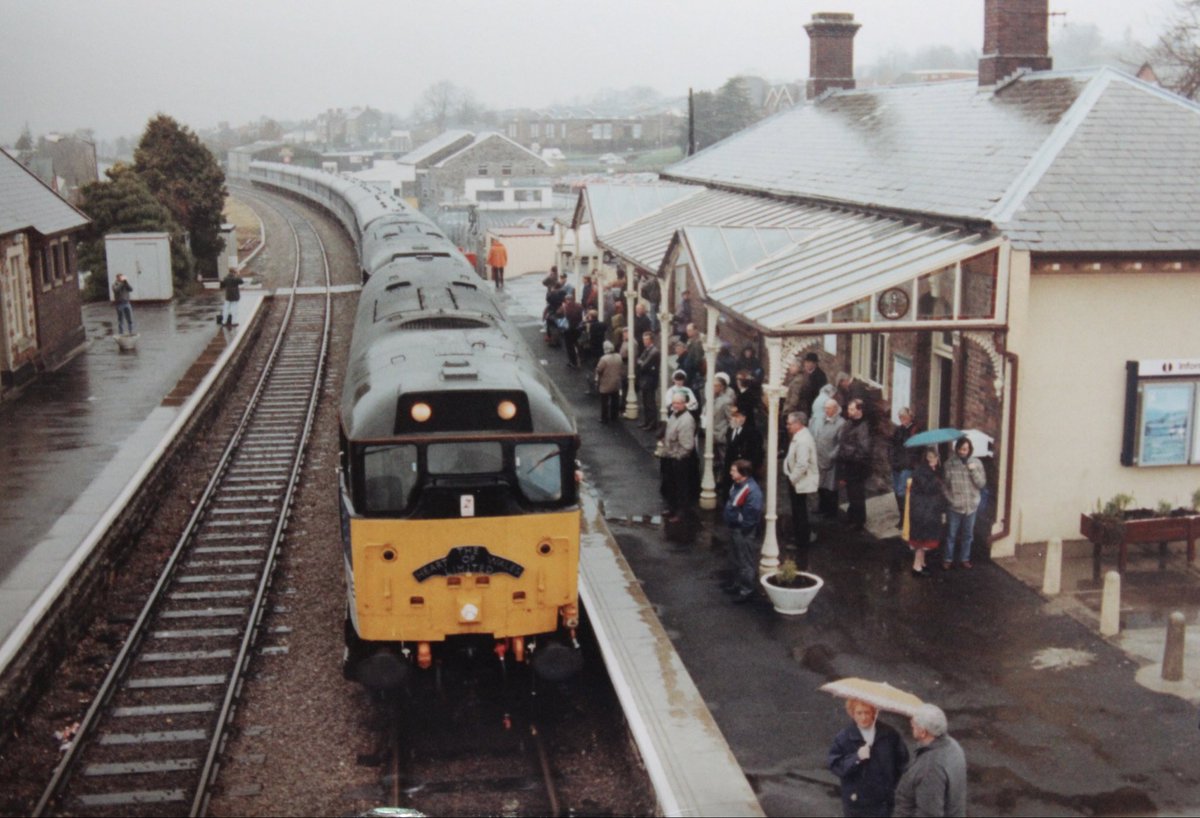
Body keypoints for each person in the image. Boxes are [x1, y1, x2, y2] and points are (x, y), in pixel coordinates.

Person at [828, 699, 910, 818]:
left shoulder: (890, 734)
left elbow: (902, 763)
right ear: (852, 714)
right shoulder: (844, 737)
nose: (863, 717)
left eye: (867, 712)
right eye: (859, 713)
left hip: (883, 803)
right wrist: (857, 757)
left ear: (874, 712)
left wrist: (892, 787)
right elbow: (835, 766)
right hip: (857, 805)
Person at [893, 704, 968, 817]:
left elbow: (929, 814)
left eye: (914, 726)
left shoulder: (930, 768)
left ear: (923, 732)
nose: (911, 725)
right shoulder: (953, 746)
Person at [721, 458, 764, 603]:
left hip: (743, 530)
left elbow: (752, 514)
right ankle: (738, 584)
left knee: (745, 561)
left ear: (742, 473)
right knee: (736, 558)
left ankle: (747, 590)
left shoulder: (752, 491)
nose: (730, 473)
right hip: (735, 528)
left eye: (733, 471)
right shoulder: (738, 485)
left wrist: (743, 528)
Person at [943, 436, 986, 570]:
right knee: (951, 534)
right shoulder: (949, 464)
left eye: (966, 449)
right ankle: (947, 559)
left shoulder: (977, 463)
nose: (963, 452)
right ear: (956, 449)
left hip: (971, 505)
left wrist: (973, 470)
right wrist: (951, 499)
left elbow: (981, 484)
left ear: (970, 450)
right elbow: (945, 486)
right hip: (955, 506)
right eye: (961, 449)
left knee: (968, 534)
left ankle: (965, 558)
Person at [783, 411, 819, 565]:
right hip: (798, 480)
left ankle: (802, 541)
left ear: (799, 424)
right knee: (798, 510)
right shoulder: (800, 436)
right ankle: (801, 536)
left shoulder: (803, 440)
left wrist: (792, 478)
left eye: (790, 423)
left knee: (800, 511)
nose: (787, 426)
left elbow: (802, 464)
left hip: (799, 481)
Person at [907, 447, 948, 578]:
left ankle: (922, 563)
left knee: (924, 539)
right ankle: (916, 567)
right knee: (921, 541)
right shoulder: (921, 471)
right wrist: (938, 479)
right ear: (925, 458)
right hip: (922, 511)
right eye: (930, 457)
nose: (933, 459)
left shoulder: (931, 470)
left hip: (928, 510)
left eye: (935, 457)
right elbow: (928, 487)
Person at [837, 398, 872, 531]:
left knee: (857, 493)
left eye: (852, 409)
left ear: (859, 410)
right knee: (851, 493)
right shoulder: (849, 423)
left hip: (857, 466)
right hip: (849, 464)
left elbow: (864, 449)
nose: (849, 411)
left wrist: (848, 452)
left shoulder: (863, 427)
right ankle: (852, 516)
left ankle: (858, 521)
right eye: (849, 409)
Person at [661, 394, 696, 522]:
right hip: (670, 456)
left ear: (685, 403)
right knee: (671, 485)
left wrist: (677, 457)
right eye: (674, 402)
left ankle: (681, 512)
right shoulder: (674, 415)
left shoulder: (686, 420)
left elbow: (687, 445)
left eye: (678, 403)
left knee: (681, 487)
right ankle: (672, 508)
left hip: (679, 459)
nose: (675, 405)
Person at [720, 406, 763, 502]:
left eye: (736, 416)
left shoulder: (753, 433)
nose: (733, 419)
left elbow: (756, 453)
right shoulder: (730, 430)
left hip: (744, 470)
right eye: (732, 416)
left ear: (744, 417)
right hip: (730, 468)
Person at [813, 396, 845, 519]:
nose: (826, 411)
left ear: (835, 409)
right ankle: (822, 507)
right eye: (825, 408)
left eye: (829, 408)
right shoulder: (822, 419)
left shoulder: (841, 424)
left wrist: (832, 455)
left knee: (831, 488)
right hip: (820, 457)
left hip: (831, 460)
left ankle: (831, 512)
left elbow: (841, 443)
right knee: (821, 485)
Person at [891, 408, 922, 516]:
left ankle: (906, 517)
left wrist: (908, 463)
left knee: (902, 492)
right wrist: (892, 460)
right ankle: (901, 515)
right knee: (896, 490)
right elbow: (892, 446)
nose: (902, 419)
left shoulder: (915, 430)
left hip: (907, 466)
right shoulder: (898, 430)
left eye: (904, 417)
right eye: (900, 417)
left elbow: (916, 450)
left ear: (910, 417)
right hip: (896, 465)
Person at [711, 372, 735, 475]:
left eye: (715, 386)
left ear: (721, 387)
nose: (713, 388)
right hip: (712, 434)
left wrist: (726, 433)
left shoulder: (726, 401)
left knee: (723, 459)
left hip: (721, 434)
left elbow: (731, 419)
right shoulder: (712, 399)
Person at [594, 340, 624, 424]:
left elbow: (599, 370)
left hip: (606, 383)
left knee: (604, 402)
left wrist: (597, 380)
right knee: (615, 400)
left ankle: (604, 418)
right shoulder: (619, 356)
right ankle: (614, 416)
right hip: (616, 382)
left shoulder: (604, 359)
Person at [636, 331, 660, 430]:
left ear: (651, 340)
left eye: (646, 339)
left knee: (650, 402)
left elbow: (643, 365)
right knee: (645, 402)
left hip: (650, 380)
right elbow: (639, 360)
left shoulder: (654, 352)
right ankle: (647, 421)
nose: (644, 341)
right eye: (644, 339)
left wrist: (641, 362)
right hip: (646, 379)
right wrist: (641, 362)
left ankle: (652, 423)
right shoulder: (647, 350)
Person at [797, 352, 829, 417]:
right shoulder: (805, 373)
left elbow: (817, 391)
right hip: (804, 405)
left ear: (815, 364)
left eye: (808, 362)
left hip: (813, 404)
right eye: (805, 362)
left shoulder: (820, 375)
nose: (806, 364)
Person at [558, 293, 584, 368]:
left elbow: (558, 313)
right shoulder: (579, 306)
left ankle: (573, 362)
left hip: (568, 329)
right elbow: (583, 314)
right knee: (576, 342)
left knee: (569, 346)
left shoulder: (564, 307)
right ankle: (581, 357)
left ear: (566, 300)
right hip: (577, 328)